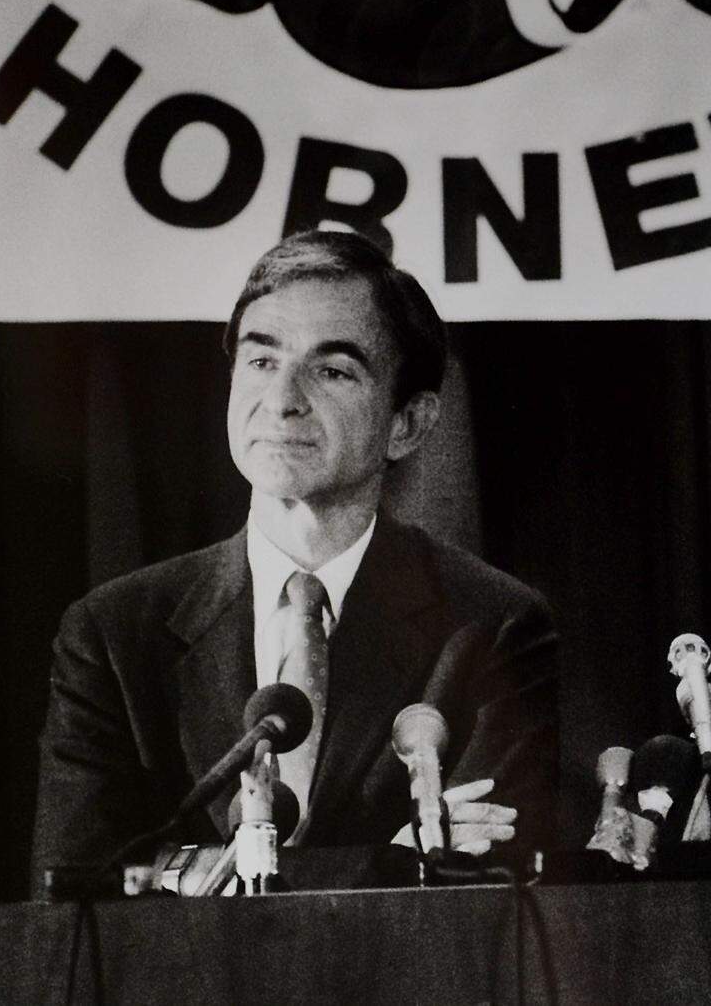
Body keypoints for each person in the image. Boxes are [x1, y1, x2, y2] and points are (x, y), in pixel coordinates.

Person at [32, 229, 558, 887]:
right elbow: (74, 896)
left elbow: (491, 887)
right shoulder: (112, 632)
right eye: (261, 361)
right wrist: (388, 861)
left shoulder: (493, 625)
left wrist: (182, 872)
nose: (282, 399)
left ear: (409, 423)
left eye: (331, 370)